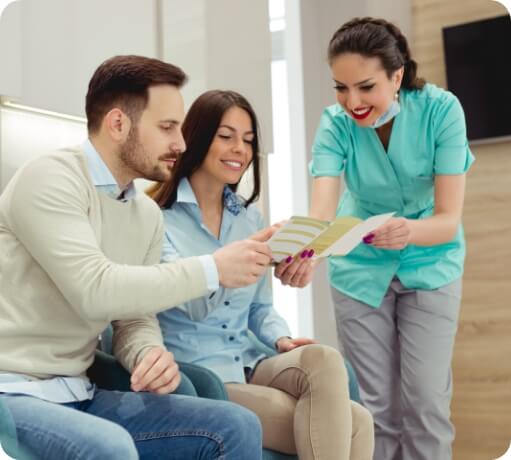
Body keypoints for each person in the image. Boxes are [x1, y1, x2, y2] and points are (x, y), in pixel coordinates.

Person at [0, 55, 270, 460]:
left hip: (80, 390)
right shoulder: (50, 180)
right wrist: (212, 268)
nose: (180, 143)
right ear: (118, 124)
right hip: (13, 391)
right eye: (166, 128)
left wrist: (146, 352)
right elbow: (96, 290)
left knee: (236, 425)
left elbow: (133, 316)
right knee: (111, 448)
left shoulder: (144, 214)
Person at [149, 89, 375, 460]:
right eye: (226, 136)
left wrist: (281, 339)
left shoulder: (248, 218)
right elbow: (191, 306)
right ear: (198, 137)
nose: (240, 148)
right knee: (356, 424)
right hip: (202, 375)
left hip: (251, 360)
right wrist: (235, 260)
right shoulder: (158, 220)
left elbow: (259, 308)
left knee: (325, 360)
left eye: (248, 140)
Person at [306, 17, 474, 460]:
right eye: (340, 88)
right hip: (359, 267)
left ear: (396, 75)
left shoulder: (441, 111)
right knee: (373, 409)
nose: (352, 102)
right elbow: (322, 210)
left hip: (430, 262)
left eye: (365, 87)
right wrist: (304, 250)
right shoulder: (335, 124)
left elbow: (447, 220)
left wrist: (408, 232)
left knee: (426, 403)